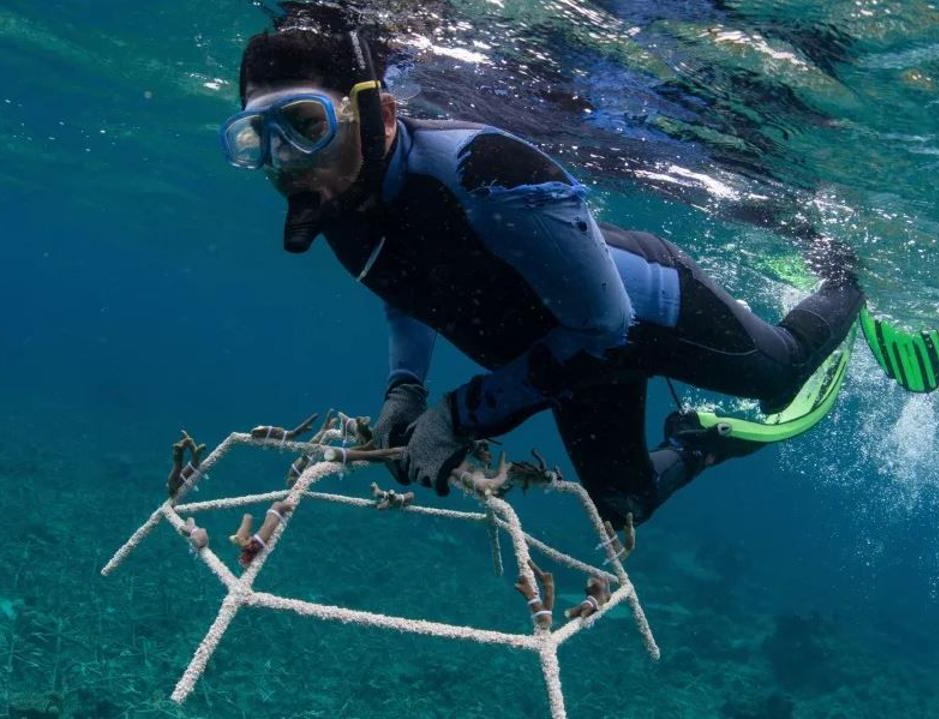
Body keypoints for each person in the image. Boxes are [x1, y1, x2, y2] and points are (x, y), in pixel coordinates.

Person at [223, 23, 864, 529]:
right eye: (260, 137)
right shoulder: (338, 203)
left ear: (381, 115)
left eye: (306, 126)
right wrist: (405, 389)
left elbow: (606, 325)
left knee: (782, 374)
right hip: (562, 359)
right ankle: (697, 443)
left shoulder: (484, 167)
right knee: (623, 509)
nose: (285, 162)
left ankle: (845, 278)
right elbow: (402, 291)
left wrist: (461, 415)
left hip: (647, 313)